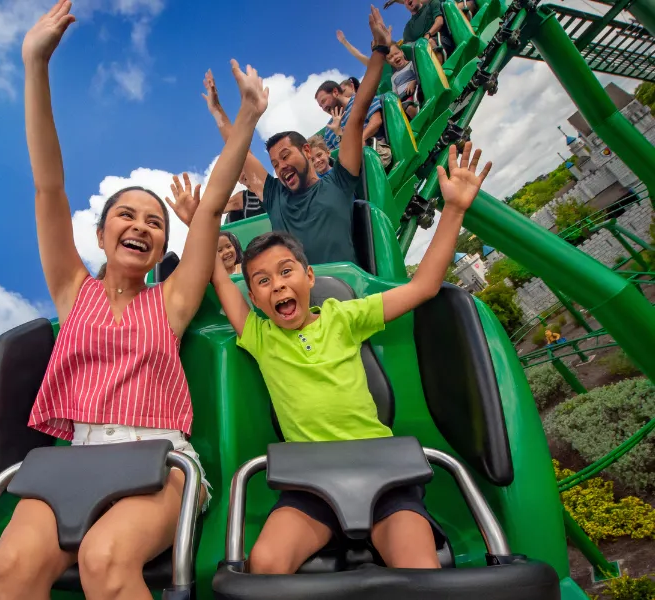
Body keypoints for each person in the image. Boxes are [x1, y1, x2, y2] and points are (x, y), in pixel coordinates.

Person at [0, 2, 269, 597]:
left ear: (165, 241)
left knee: (105, 559)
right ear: (102, 232)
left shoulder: (171, 301)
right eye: (126, 215)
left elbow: (214, 205)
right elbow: (48, 186)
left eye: (155, 221)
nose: (141, 226)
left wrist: (245, 118)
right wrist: (34, 66)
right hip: (75, 459)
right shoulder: (73, 290)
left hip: (155, 461)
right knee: (10, 567)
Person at [209, 141, 494, 574]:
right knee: (265, 563)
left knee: (420, 566)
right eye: (263, 281)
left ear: (309, 277)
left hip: (380, 469)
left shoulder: (345, 316)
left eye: (286, 272)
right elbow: (219, 280)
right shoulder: (259, 336)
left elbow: (423, 288)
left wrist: (453, 210)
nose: (278, 286)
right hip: (309, 482)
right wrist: (203, 222)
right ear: (255, 297)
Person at [202, 7, 394, 267]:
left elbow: (358, 113)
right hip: (299, 299)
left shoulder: (339, 181)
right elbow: (240, 152)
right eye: (275, 164)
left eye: (284, 156)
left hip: (347, 295)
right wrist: (217, 111)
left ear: (306, 150)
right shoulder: (275, 196)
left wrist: (380, 50)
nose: (280, 167)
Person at [316, 80, 383, 151]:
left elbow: (376, 121)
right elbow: (335, 156)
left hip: (375, 149)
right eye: (321, 106)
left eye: (324, 101)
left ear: (335, 92)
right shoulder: (329, 130)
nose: (324, 108)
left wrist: (361, 139)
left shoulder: (362, 98)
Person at [388, 44, 421, 119]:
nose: (395, 57)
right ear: (388, 62)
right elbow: (395, 93)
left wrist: (413, 81)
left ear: (402, 52)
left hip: (413, 93)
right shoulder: (393, 77)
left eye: (396, 53)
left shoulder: (411, 64)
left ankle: (421, 119)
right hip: (402, 99)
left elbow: (420, 75)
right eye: (390, 58)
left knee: (408, 107)